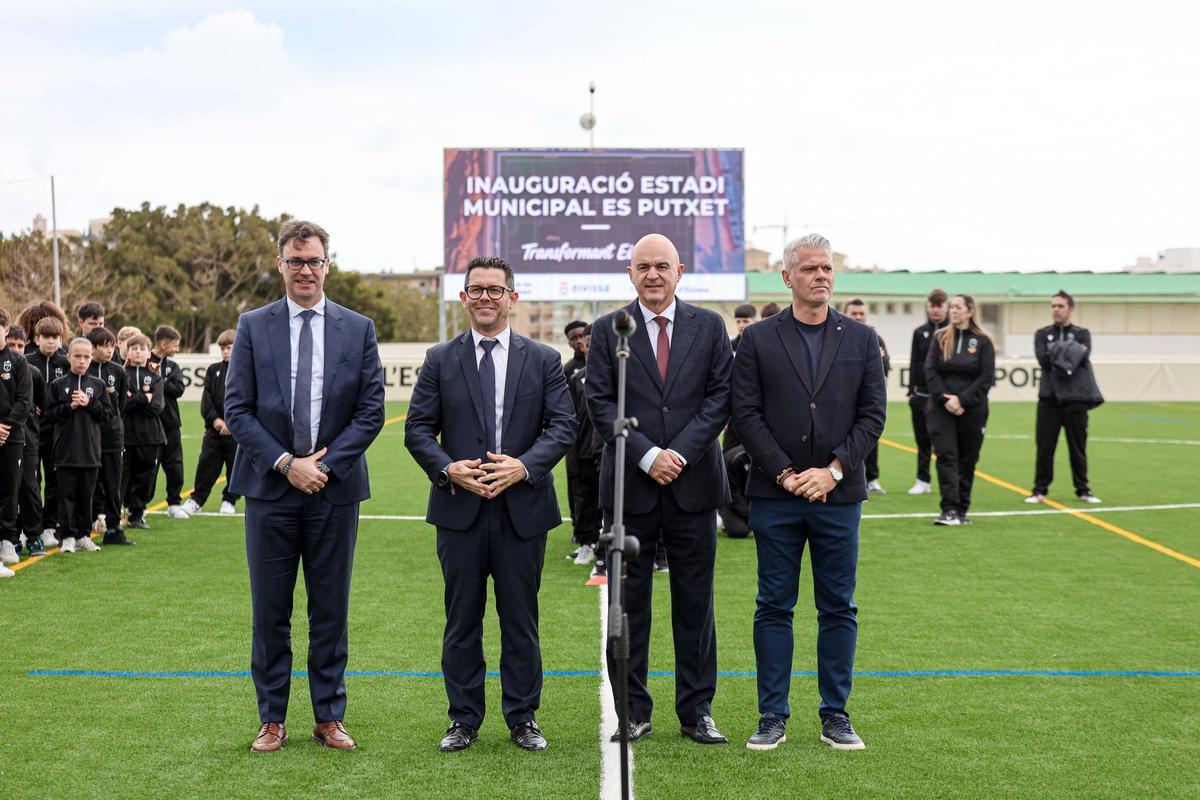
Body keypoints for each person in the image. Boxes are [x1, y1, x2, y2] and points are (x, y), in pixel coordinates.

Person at [225, 219, 385, 754]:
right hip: (270, 491)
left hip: (333, 492)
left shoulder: (357, 328)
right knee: (270, 611)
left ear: (327, 264)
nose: (305, 270)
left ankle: (328, 716)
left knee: (330, 609)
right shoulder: (252, 325)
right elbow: (238, 410)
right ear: (280, 264)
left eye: (314, 260)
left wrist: (324, 465)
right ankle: (272, 719)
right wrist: (284, 462)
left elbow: (370, 411)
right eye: (295, 261)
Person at [405, 255, 576, 754]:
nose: (485, 297)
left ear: (512, 298)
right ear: (463, 298)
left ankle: (523, 718)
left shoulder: (543, 359)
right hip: (460, 509)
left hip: (522, 510)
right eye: (475, 289)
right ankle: (464, 718)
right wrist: (446, 467)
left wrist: (523, 467)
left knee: (520, 619)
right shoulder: (440, 358)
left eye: (495, 290)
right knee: (462, 620)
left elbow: (563, 426)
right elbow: (418, 429)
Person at [731, 233, 886, 752]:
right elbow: (745, 414)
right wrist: (786, 473)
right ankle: (772, 714)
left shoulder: (862, 340)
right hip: (776, 497)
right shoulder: (757, 340)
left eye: (827, 268)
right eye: (810, 268)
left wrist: (834, 472)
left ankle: (835, 714)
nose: (821, 275)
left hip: (838, 498)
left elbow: (873, 417)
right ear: (787, 276)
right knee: (774, 605)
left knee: (838, 606)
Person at [586, 233, 734, 746]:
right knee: (627, 607)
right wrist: (648, 454)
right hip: (630, 489)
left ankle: (697, 712)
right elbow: (600, 403)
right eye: (643, 266)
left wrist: (680, 454)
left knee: (696, 606)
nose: (653, 274)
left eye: (662, 266)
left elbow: (720, 399)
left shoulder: (710, 326)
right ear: (630, 273)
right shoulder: (609, 329)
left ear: (680, 270)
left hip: (694, 487)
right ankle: (631, 711)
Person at [924, 294, 996, 526]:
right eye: (952, 307)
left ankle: (962, 509)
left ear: (970, 311)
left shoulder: (983, 341)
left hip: (972, 410)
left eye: (958, 307)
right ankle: (949, 510)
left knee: (967, 459)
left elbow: (986, 377)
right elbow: (931, 371)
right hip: (941, 408)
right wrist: (947, 399)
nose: (953, 311)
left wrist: (962, 400)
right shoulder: (940, 337)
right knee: (946, 456)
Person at [1028, 290, 1103, 504]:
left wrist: (1055, 351)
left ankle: (1083, 490)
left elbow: (1082, 356)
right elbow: (1044, 360)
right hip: (1049, 399)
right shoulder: (1042, 333)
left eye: (1060, 306)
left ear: (1070, 308)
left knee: (1077, 447)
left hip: (1075, 400)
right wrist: (1068, 351)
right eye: (1053, 306)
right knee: (1045, 447)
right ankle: (1039, 490)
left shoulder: (1082, 333)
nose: (1055, 310)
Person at [45, 338, 111, 553]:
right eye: (77, 356)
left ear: (91, 358)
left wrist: (90, 403)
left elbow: (108, 415)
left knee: (86, 495)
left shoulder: (98, 385)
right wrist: (69, 406)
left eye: (86, 356)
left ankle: (84, 535)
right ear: (69, 357)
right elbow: (49, 415)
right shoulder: (58, 385)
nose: (82, 361)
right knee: (66, 496)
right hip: (65, 451)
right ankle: (67, 537)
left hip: (90, 452)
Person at [182, 329, 240, 515]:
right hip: (214, 432)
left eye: (229, 347)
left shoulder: (246, 371)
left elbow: (248, 400)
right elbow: (206, 399)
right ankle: (197, 500)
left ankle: (229, 500)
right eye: (222, 348)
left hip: (237, 432)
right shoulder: (213, 370)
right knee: (206, 464)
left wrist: (232, 423)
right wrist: (215, 420)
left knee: (235, 467)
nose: (225, 351)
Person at [86, 327, 133, 546]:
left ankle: (114, 528)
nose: (108, 350)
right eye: (103, 346)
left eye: (111, 345)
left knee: (113, 483)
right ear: (92, 348)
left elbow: (120, 405)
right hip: (87, 435)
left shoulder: (118, 371)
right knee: (89, 483)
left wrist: (112, 423)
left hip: (113, 436)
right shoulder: (84, 370)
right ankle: (83, 526)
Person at [27, 316, 69, 546]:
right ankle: (28, 525)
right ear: (36, 339)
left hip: (58, 432)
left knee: (55, 480)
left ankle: (50, 526)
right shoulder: (25, 361)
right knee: (31, 482)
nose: (51, 342)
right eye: (47, 337)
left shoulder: (66, 362)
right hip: (31, 431)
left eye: (56, 337)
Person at [5, 325, 47, 558]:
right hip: (4, 439)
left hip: (28, 439)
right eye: (11, 345)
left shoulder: (33, 373)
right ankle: (10, 536)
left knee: (30, 487)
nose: (16, 350)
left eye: (20, 346)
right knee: (8, 489)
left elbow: (41, 405)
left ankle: (34, 536)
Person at [841, 299, 890, 494]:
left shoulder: (874, 338)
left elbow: (884, 365)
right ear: (845, 313)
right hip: (842, 401)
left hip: (866, 399)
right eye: (854, 313)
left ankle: (872, 478)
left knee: (869, 438)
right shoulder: (837, 336)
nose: (859, 317)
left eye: (861, 313)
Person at [0, 307, 34, 570]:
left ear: (6, 330)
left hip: (12, 436)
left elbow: (24, 401)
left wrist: (5, 426)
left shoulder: (18, 362)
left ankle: (8, 539)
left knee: (11, 487)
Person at [905, 289, 948, 494]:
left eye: (939, 306)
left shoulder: (952, 332)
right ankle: (923, 480)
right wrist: (911, 390)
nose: (936, 310)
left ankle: (947, 481)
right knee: (922, 440)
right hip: (921, 395)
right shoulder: (920, 332)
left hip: (943, 397)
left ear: (946, 307)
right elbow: (914, 362)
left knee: (943, 442)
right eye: (932, 306)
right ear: (927, 307)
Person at [121, 335, 165, 530]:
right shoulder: (121, 374)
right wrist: (143, 397)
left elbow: (157, 406)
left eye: (142, 348)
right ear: (127, 351)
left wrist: (135, 398)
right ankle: (118, 512)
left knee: (146, 476)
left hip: (150, 436)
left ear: (149, 352)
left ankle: (137, 513)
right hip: (125, 436)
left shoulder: (155, 377)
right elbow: (121, 405)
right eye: (134, 347)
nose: (138, 351)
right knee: (123, 476)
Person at [566, 334, 601, 566]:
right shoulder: (577, 378)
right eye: (587, 344)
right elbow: (569, 417)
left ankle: (611, 549)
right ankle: (586, 544)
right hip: (584, 451)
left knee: (614, 501)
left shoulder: (621, 376)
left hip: (612, 451)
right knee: (585, 500)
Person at [150, 325, 188, 518]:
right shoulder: (144, 361)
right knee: (149, 466)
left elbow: (178, 388)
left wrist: (157, 382)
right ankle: (138, 506)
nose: (177, 349)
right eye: (175, 345)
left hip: (171, 423)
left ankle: (174, 503)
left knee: (175, 464)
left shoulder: (172, 366)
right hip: (149, 424)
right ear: (163, 343)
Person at [561, 318, 589, 558]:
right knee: (576, 484)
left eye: (583, 337)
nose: (579, 342)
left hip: (598, 441)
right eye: (574, 338)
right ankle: (580, 530)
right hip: (576, 440)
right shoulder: (569, 370)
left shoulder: (607, 364)